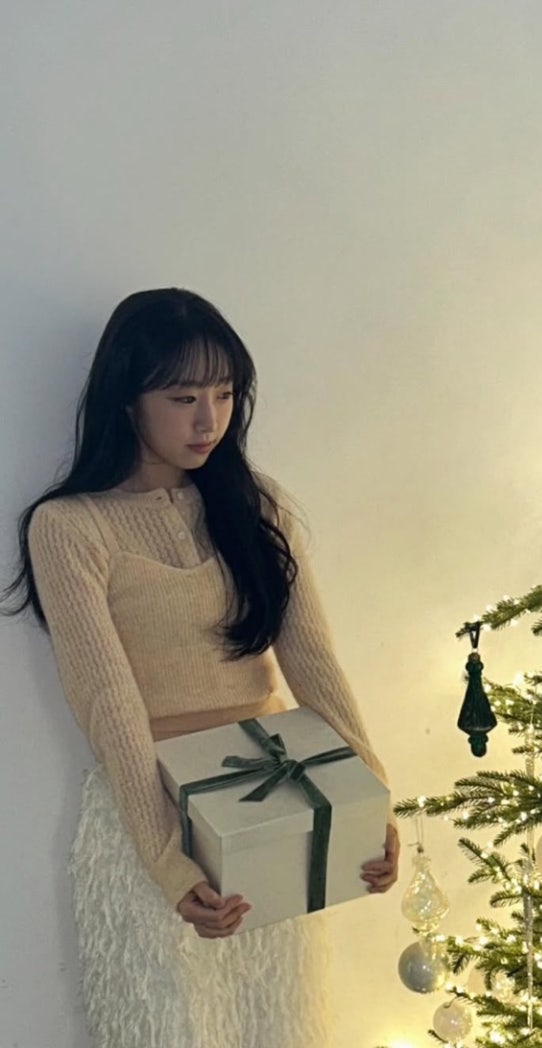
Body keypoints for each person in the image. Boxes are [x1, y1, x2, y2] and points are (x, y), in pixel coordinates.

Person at [3, 288, 399, 1048]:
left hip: (273, 806)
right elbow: (109, 705)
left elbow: (313, 663)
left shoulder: (256, 504)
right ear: (127, 399)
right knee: (169, 1029)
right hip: (150, 813)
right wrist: (168, 859)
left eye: (223, 393)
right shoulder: (69, 527)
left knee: (277, 1026)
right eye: (183, 397)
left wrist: (367, 800)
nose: (208, 419)